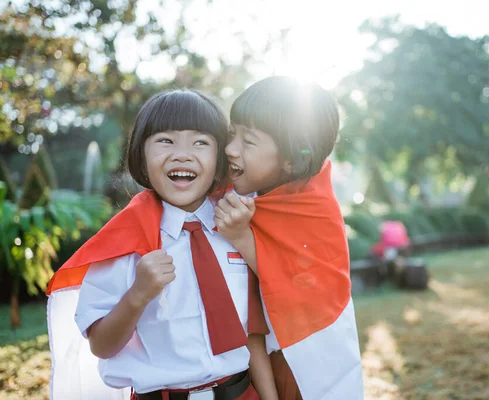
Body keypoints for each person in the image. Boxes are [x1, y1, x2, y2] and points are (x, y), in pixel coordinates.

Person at [46, 89, 278, 400]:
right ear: (141, 155)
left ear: (220, 156)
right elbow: (101, 346)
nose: (183, 154)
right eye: (165, 141)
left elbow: (255, 331)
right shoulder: (123, 244)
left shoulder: (237, 224)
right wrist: (137, 295)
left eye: (200, 142)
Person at [214, 77, 364, 400]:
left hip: (304, 364)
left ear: (292, 160)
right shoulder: (253, 194)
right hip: (253, 364)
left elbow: (300, 286)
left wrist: (242, 237)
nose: (229, 148)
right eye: (232, 133)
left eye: (248, 141)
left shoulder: (313, 206)